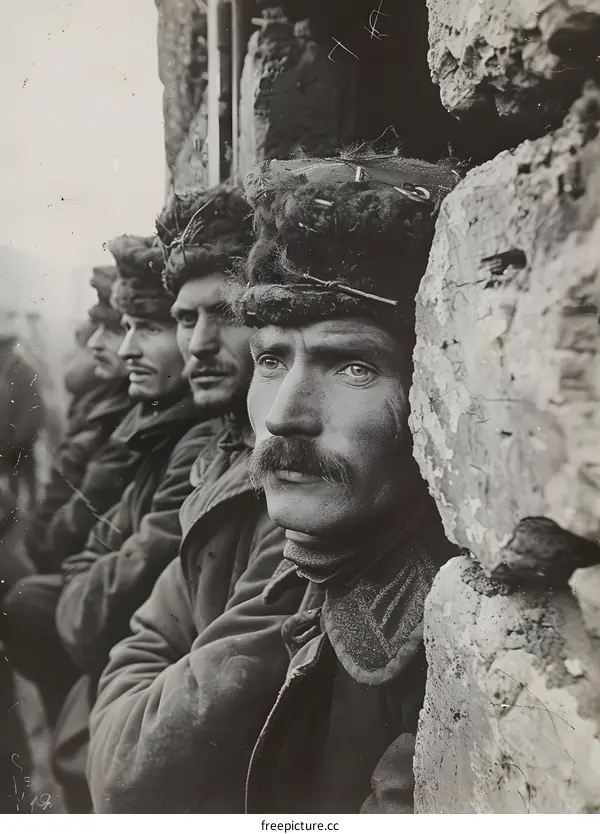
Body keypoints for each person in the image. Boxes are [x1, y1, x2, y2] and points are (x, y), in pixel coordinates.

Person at [234, 154, 461, 813]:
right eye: (271, 358)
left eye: (353, 366)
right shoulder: (308, 551)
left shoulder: (445, 656)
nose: (284, 415)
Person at [86, 184, 305, 813]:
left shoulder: (298, 484)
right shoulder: (220, 455)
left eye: (225, 314)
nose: (200, 343)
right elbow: (148, 635)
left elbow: (133, 768)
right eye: (185, 319)